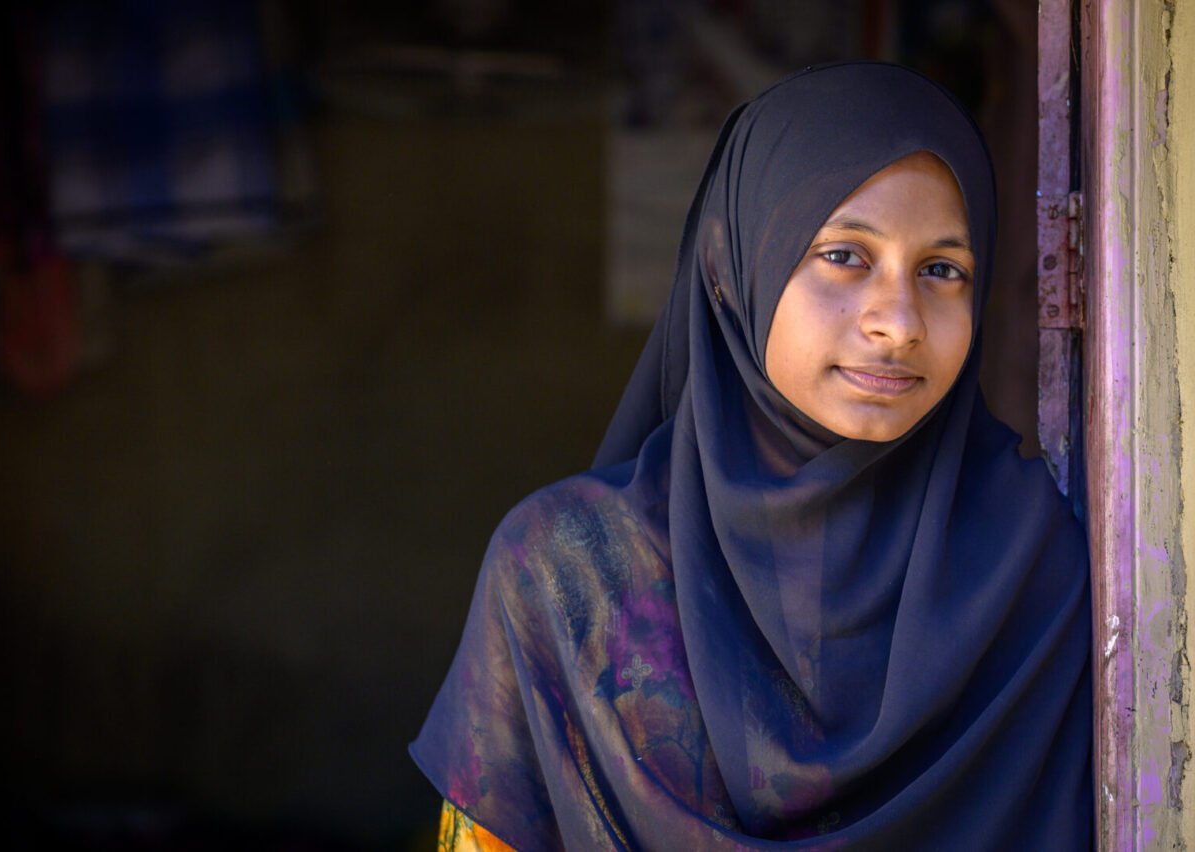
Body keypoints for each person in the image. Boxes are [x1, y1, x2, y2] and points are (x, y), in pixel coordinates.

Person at [410, 61, 1092, 850]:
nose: (899, 321)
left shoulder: (1031, 562)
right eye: (845, 255)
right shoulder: (566, 576)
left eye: (943, 270)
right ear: (731, 270)